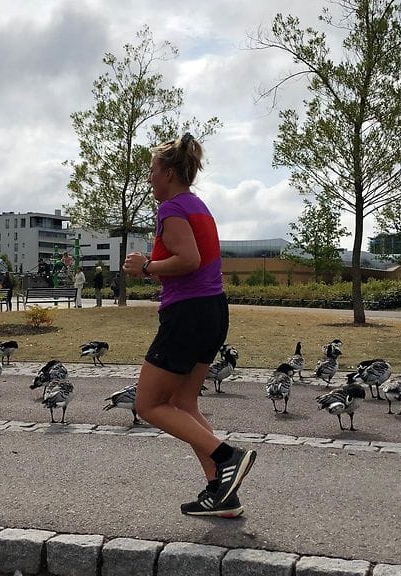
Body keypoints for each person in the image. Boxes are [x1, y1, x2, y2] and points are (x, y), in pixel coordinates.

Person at [122, 133, 254, 518]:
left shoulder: (171, 208)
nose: (148, 179)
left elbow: (189, 259)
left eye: (151, 170)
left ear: (167, 172)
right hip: (213, 310)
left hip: (188, 314)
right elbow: (192, 261)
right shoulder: (197, 206)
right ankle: (222, 492)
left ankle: (227, 455)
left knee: (148, 403)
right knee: (183, 403)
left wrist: (146, 266)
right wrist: (155, 267)